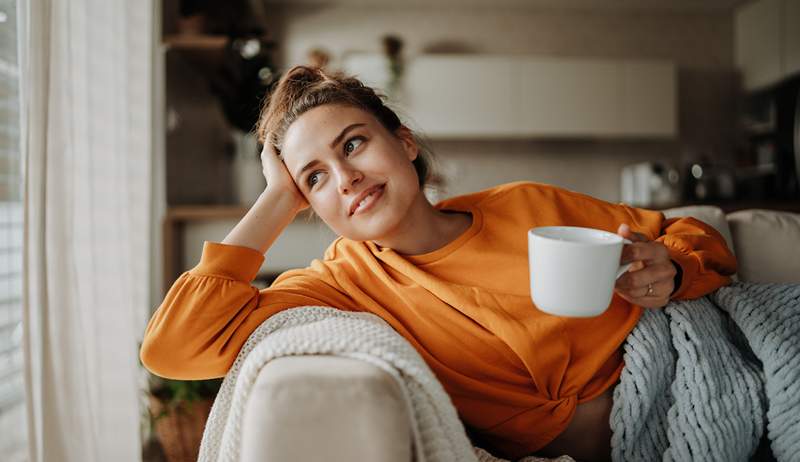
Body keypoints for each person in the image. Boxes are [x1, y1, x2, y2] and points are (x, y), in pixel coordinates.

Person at [140, 66, 737, 462]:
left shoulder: (528, 204)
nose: (346, 178)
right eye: (315, 178)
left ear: (403, 143)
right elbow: (173, 347)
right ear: (306, 204)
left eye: (353, 144)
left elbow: (694, 234)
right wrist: (274, 200)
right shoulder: (341, 285)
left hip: (687, 385)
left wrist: (675, 269)